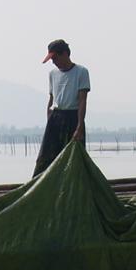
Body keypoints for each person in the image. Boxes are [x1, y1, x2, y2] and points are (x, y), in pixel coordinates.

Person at [32, 39, 90, 176]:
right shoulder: (53, 74)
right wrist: (49, 118)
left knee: (74, 159)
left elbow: (82, 100)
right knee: (46, 157)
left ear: (64, 54)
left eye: (55, 58)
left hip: (73, 117)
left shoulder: (81, 72)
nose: (53, 62)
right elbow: (51, 98)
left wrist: (80, 126)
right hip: (56, 117)